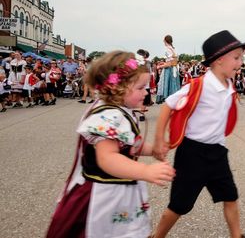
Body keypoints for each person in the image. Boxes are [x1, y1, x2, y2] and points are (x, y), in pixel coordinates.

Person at [46, 51, 175, 238]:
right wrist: (146, 171)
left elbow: (128, 145)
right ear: (118, 88)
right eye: (140, 88)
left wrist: (152, 150)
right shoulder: (109, 116)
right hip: (104, 194)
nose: (146, 92)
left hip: (119, 188)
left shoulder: (121, 110)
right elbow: (108, 158)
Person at [152, 30, 245, 238]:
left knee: (230, 196)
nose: (241, 62)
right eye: (237, 57)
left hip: (218, 153)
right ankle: (157, 236)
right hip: (192, 154)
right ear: (220, 60)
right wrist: (160, 139)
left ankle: (237, 235)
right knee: (179, 205)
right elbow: (168, 105)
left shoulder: (230, 86)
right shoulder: (199, 85)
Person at [156, 35, 180, 104]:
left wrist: (160, 67)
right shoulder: (173, 49)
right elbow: (174, 61)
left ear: (166, 40)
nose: (163, 41)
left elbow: (170, 63)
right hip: (174, 69)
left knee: (168, 89)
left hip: (169, 70)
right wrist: (164, 63)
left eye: (164, 40)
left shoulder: (167, 49)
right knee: (173, 87)